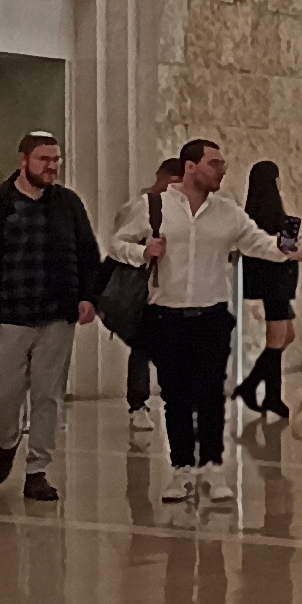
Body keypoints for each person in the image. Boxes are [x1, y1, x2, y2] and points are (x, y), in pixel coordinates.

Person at [114, 136, 294, 507]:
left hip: (212, 315)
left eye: (222, 164)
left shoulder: (228, 212)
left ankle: (212, 468)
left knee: (212, 395)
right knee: (176, 397)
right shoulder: (154, 207)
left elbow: (255, 241)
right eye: (214, 163)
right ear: (190, 166)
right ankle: (182, 469)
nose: (221, 170)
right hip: (166, 314)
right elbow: (118, 243)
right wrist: (143, 251)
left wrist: (283, 249)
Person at [0, 128, 99, 502]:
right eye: (44, 159)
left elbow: (88, 254)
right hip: (5, 316)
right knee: (3, 391)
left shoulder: (68, 205)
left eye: (56, 160)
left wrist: (89, 297)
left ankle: (37, 469)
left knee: (48, 395)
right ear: (23, 160)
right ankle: (8, 440)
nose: (52, 166)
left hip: (55, 316)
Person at [233, 158, 302, 424]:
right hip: (276, 284)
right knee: (276, 340)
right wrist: (295, 253)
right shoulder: (272, 214)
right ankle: (261, 390)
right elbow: (281, 249)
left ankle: (260, 389)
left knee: (286, 336)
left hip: (272, 283)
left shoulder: (250, 215)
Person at [123, 148, 184, 425]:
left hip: (178, 292)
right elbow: (122, 244)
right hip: (148, 291)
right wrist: (145, 251)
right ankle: (138, 404)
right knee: (143, 347)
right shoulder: (144, 207)